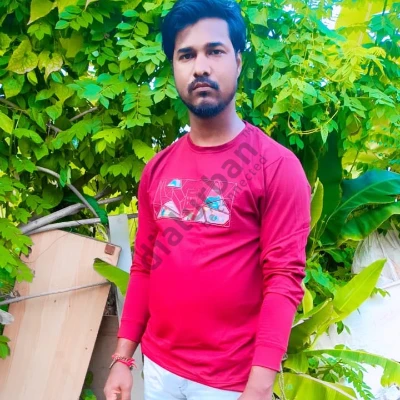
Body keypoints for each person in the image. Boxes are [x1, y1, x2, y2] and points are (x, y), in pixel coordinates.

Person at [104, 0, 311, 399]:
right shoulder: (158, 169)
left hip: (231, 383)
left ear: (238, 61)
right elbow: (144, 266)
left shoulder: (276, 166)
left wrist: (259, 386)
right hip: (160, 369)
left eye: (214, 51)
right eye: (186, 55)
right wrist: (122, 358)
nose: (200, 67)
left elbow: (284, 280)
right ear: (174, 68)